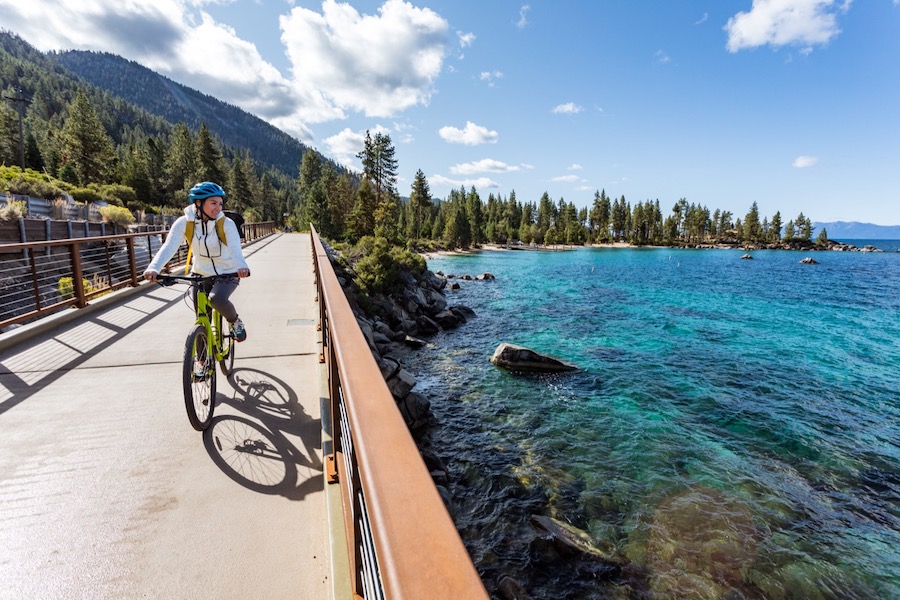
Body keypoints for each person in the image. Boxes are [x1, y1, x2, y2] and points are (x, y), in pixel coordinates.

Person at [143, 181, 251, 342]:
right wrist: (154, 268)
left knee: (216, 300)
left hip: (228, 273)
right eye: (213, 203)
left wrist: (242, 267)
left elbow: (236, 249)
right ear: (198, 203)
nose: (218, 208)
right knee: (201, 317)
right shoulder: (184, 223)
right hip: (199, 273)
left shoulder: (226, 224)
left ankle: (234, 321)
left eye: (220, 203)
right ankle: (201, 363)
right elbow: (169, 247)